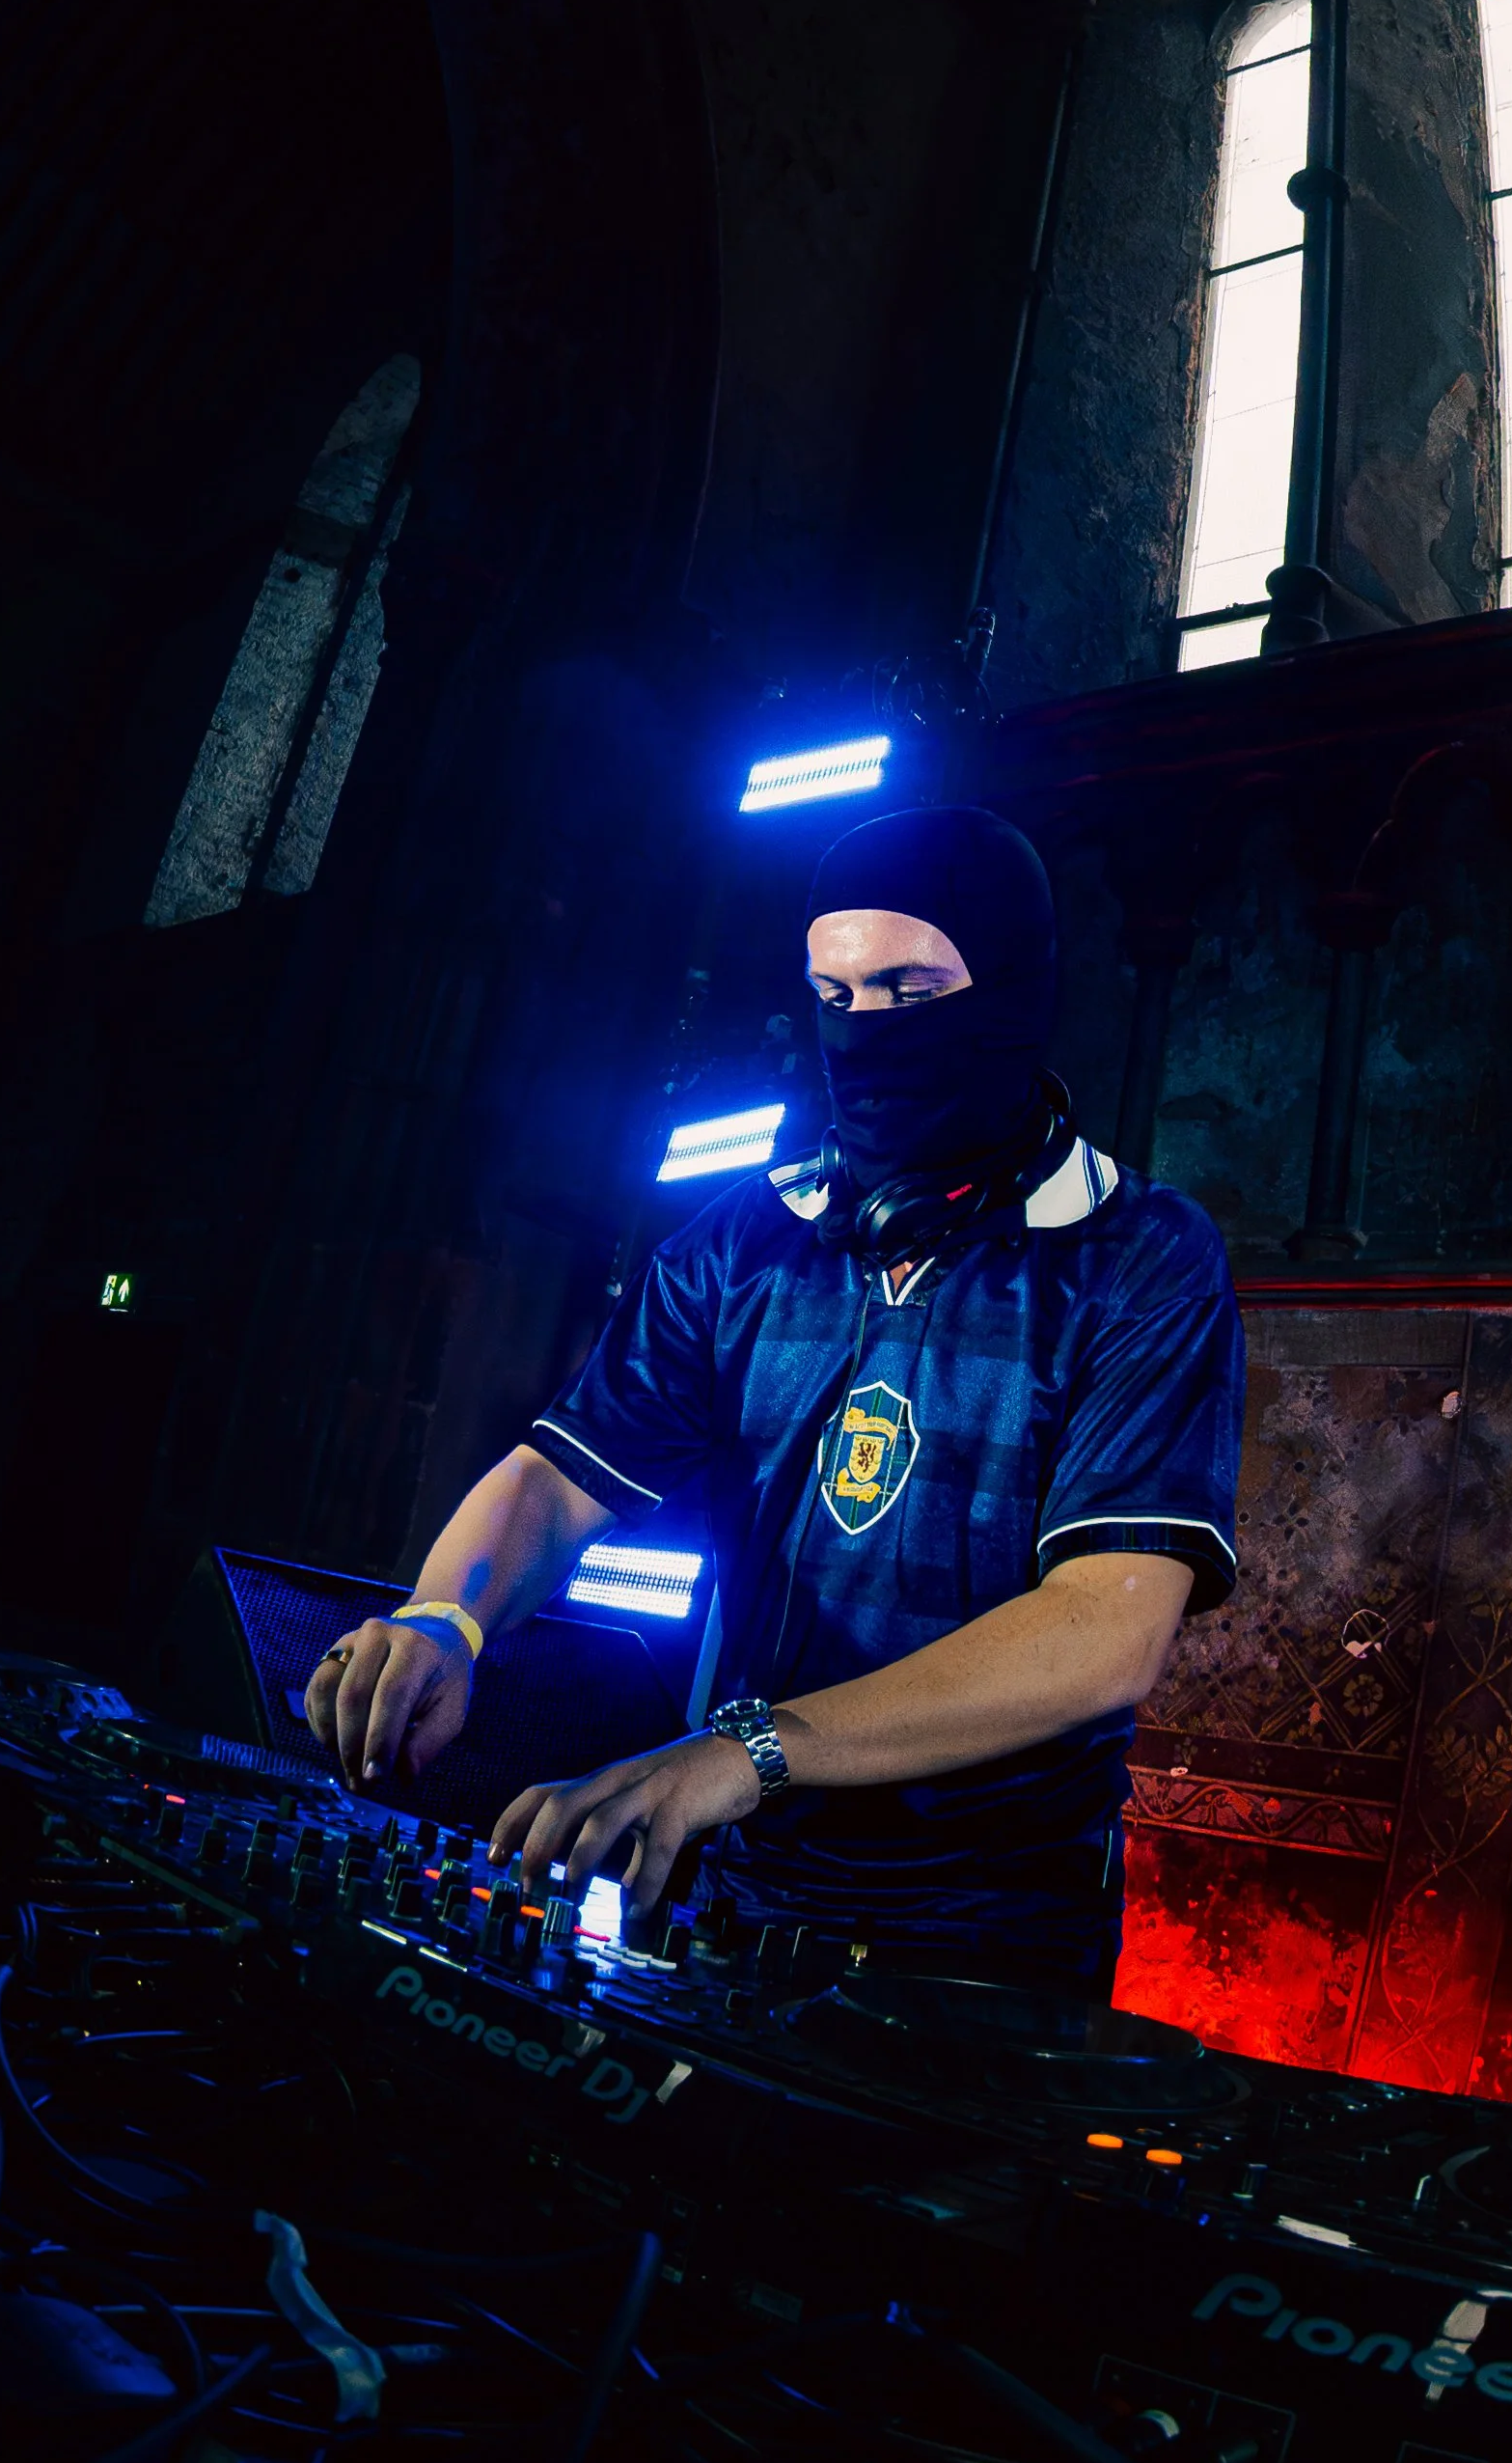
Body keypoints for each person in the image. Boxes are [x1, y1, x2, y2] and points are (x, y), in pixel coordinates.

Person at [304, 804, 1244, 1998]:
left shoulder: (1140, 1256)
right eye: (833, 995)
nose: (863, 1029)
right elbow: (559, 1474)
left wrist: (746, 1748)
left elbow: (1104, 1629)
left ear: (1012, 987)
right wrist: (450, 1616)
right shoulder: (741, 1241)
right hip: (741, 1891)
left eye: (908, 990)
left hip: (990, 1931)